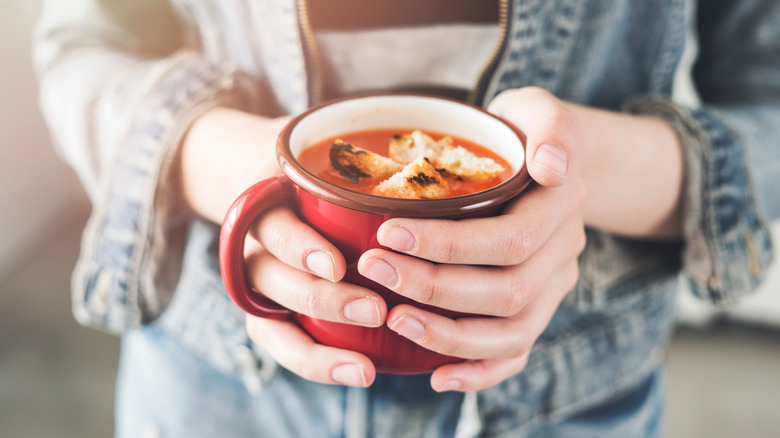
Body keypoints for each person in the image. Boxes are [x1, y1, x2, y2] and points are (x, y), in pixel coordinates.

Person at [34, 0, 777, 437]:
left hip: (572, 395)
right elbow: (84, 43)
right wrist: (233, 164)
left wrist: (583, 164)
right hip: (218, 386)